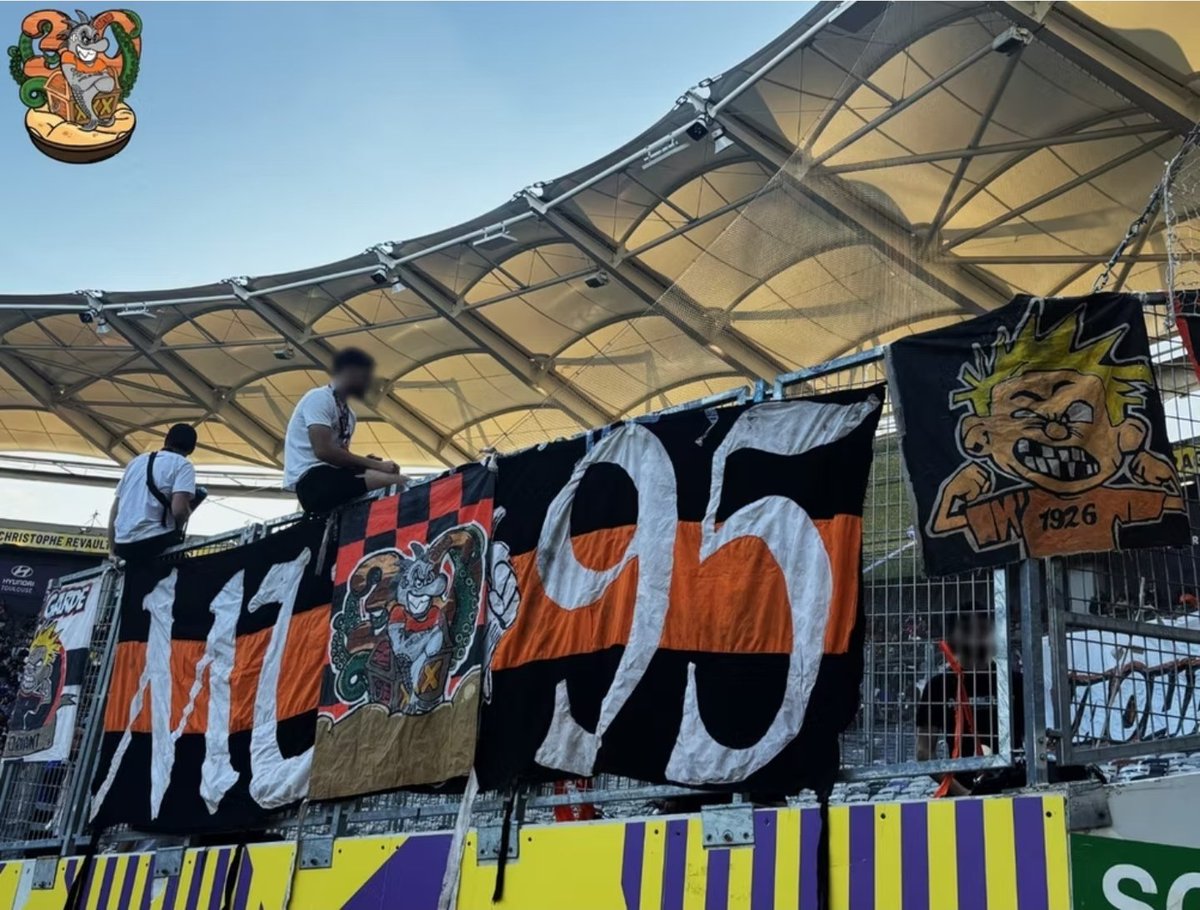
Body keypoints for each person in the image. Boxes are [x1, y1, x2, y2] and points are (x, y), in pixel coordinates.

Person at [915, 601, 1024, 796]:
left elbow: (1034, 742)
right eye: (968, 630)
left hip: (1012, 787)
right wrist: (964, 793)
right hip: (968, 789)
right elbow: (924, 754)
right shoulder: (938, 686)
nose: (975, 638)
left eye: (982, 630)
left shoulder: (1013, 681)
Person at [284, 347, 408, 513]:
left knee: (395, 478)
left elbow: (342, 457)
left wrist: (368, 464)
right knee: (396, 481)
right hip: (313, 482)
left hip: (330, 478)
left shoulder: (350, 415)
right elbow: (324, 451)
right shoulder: (319, 398)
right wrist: (374, 464)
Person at [108, 424, 207, 564]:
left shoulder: (136, 462)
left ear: (166, 440)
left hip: (123, 545)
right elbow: (178, 511)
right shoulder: (183, 465)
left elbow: (115, 509)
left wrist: (112, 550)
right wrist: (187, 512)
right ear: (192, 449)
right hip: (153, 542)